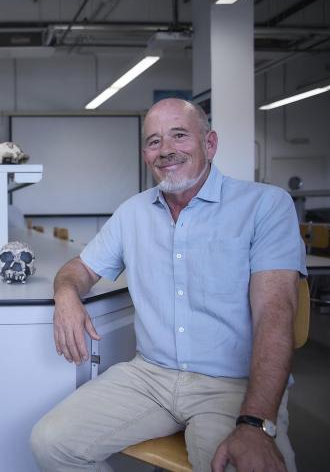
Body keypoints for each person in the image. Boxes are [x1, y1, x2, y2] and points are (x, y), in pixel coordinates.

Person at [30, 98, 306, 472]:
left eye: (179, 135)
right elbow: (79, 268)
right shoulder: (133, 212)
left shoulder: (265, 206)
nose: (165, 150)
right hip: (150, 376)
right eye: (154, 141)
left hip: (232, 384)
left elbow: (276, 315)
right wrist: (65, 294)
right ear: (145, 154)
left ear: (210, 144)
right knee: (51, 443)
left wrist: (255, 423)